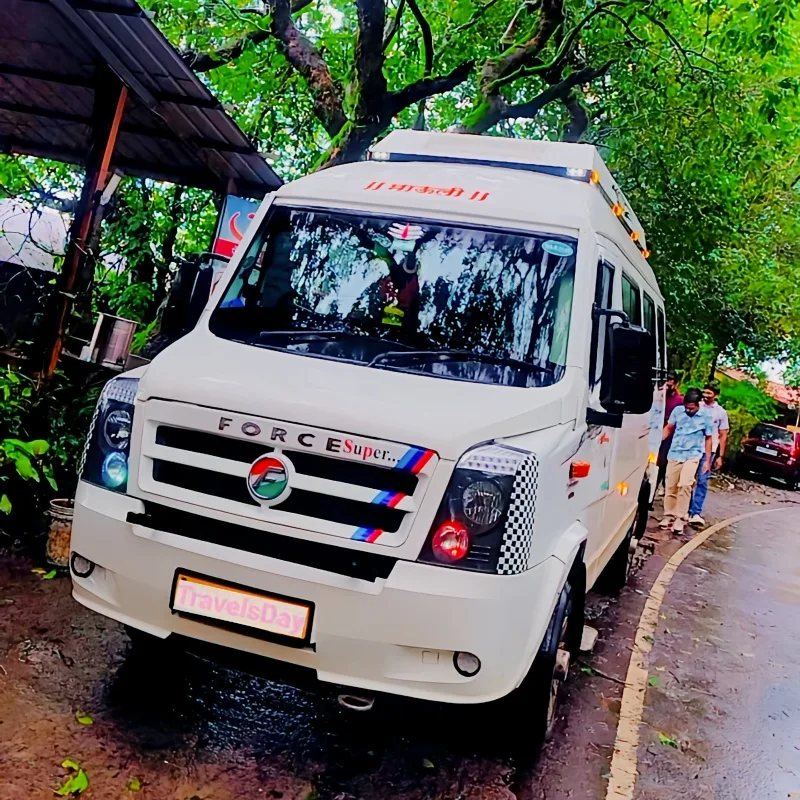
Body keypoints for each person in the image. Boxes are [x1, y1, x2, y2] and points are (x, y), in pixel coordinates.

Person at [660, 388, 713, 534]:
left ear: (698, 404)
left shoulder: (706, 416)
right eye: (686, 408)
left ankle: (680, 518)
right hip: (675, 452)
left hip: (693, 455)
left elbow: (709, 438)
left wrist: (707, 460)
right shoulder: (677, 411)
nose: (688, 411)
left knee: (685, 485)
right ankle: (668, 515)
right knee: (671, 486)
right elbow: (669, 428)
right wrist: (657, 443)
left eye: (691, 408)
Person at [688, 382, 729, 527]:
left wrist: (720, 456)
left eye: (709, 393)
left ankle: (695, 512)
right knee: (687, 480)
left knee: (702, 480)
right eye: (704, 392)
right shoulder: (695, 406)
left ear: (716, 395)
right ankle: (685, 509)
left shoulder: (721, 413)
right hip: (692, 447)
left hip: (708, 451)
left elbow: (723, 434)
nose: (705, 396)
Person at [655, 373, 684, 492]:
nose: (668, 384)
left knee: (663, 464)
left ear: (676, 384)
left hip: (669, 437)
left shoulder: (680, 400)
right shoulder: (658, 396)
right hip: (654, 432)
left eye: (671, 381)